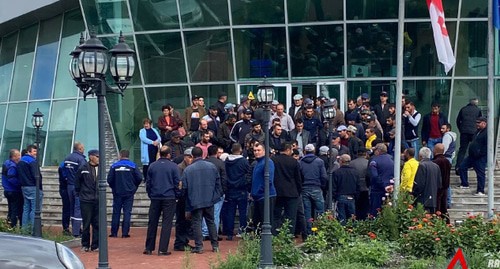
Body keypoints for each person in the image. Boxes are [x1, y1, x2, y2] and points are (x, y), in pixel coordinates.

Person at [181, 147, 222, 254]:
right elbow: (218, 184)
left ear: (192, 156)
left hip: (195, 200)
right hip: (209, 199)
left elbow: (184, 188)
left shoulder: (188, 169)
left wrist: (187, 204)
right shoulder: (212, 167)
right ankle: (215, 245)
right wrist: (214, 197)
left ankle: (199, 246)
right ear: (203, 154)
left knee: (197, 223)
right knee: (211, 222)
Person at [143, 145, 181, 256]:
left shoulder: (152, 166)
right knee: (167, 223)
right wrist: (177, 195)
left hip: (155, 196)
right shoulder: (174, 166)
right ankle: (163, 248)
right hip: (169, 197)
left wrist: (151, 194)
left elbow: (148, 182)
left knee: (152, 222)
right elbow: (177, 183)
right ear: (169, 154)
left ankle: (149, 247)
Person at [107, 150, 143, 238]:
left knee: (116, 212)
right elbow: (139, 178)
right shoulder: (133, 165)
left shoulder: (114, 166)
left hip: (117, 192)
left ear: (120, 155)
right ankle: (125, 233)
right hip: (129, 192)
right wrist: (133, 187)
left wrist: (114, 187)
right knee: (127, 212)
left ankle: (114, 232)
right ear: (128, 155)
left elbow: (109, 179)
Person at [272, 142, 302, 235]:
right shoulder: (293, 161)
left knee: (275, 215)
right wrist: (299, 190)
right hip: (291, 192)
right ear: (288, 150)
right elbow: (298, 178)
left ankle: (274, 234)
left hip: (277, 192)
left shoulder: (273, 160)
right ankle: (288, 236)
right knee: (291, 216)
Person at [222, 143, 250, 240]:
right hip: (241, 189)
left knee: (230, 212)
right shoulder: (243, 161)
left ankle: (229, 233)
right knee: (243, 212)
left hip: (230, 189)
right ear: (241, 150)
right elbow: (248, 173)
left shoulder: (226, 161)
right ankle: (242, 231)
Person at [75, 149, 100, 252]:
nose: (99, 159)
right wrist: (81, 193)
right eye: (97, 157)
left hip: (98, 199)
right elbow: (77, 182)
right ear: (91, 157)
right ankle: (85, 244)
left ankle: (95, 245)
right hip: (86, 199)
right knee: (86, 223)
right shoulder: (83, 168)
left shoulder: (101, 168)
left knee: (97, 223)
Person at [300, 144, 327, 234]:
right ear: (314, 150)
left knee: (307, 211)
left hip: (304, 188)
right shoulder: (319, 162)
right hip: (316, 187)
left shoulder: (300, 162)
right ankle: (320, 231)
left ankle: (309, 232)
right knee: (320, 210)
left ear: (305, 151)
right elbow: (324, 176)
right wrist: (322, 186)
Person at [61, 142, 87, 237]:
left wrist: (67, 179)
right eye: (83, 148)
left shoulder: (67, 158)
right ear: (79, 149)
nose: (83, 149)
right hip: (77, 187)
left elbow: (63, 170)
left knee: (72, 208)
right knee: (78, 208)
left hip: (69, 185)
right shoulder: (81, 159)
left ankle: (74, 228)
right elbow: (83, 173)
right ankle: (77, 231)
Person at [458, 116, 487, 196]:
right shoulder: (477, 131)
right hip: (472, 156)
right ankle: (465, 184)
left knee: (480, 173)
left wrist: (480, 153)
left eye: (478, 123)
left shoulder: (487, 133)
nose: (476, 124)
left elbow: (486, 146)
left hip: (480, 157)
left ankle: (480, 190)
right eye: (476, 122)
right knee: (462, 167)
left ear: (484, 123)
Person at [202, 145, 226, 241]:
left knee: (204, 212)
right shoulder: (220, 163)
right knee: (216, 213)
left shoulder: (204, 163)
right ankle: (214, 233)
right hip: (217, 191)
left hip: (205, 191)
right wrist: (223, 191)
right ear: (216, 152)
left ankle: (204, 232)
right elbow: (224, 178)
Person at [251, 143, 277, 231]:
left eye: (258, 150)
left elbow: (269, 180)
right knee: (257, 222)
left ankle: (269, 242)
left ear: (264, 151)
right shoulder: (257, 163)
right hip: (258, 196)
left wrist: (257, 191)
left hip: (266, 196)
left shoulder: (268, 162)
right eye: (254, 150)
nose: (256, 152)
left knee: (266, 222)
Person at [18, 145, 43, 231]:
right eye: (34, 151)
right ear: (29, 152)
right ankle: (34, 229)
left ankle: (24, 229)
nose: (36, 153)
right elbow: (36, 175)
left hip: (24, 187)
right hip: (33, 187)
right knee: (35, 209)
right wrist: (40, 187)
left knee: (26, 209)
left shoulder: (21, 160)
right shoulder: (32, 161)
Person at [174, 147, 194, 251]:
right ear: (185, 157)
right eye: (189, 157)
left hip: (188, 197)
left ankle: (184, 241)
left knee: (187, 221)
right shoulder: (179, 168)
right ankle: (180, 242)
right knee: (181, 221)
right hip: (182, 198)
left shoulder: (191, 168)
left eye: (192, 157)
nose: (191, 159)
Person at [455, 98, 482, 174]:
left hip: (464, 132)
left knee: (462, 150)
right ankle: (475, 165)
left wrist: (461, 129)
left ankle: (458, 166)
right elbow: (480, 121)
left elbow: (458, 120)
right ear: (476, 103)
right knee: (474, 149)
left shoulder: (463, 109)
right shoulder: (478, 110)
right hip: (474, 132)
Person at [332, 154, 360, 224]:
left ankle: (342, 233)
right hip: (351, 197)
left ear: (341, 161)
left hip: (340, 197)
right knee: (352, 218)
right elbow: (358, 186)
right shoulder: (355, 172)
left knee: (341, 218)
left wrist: (334, 197)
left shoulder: (336, 172)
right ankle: (352, 232)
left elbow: (334, 187)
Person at [412, 147, 442, 213]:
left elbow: (419, 184)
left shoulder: (422, 166)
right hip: (433, 200)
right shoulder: (436, 166)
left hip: (423, 200)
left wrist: (414, 194)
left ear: (420, 156)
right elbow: (439, 184)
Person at [368, 143, 394, 216]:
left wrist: (383, 185)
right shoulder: (392, 159)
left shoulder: (374, 161)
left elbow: (374, 176)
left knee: (375, 213)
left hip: (377, 190)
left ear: (378, 151)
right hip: (390, 190)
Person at [2, 149, 23, 227]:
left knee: (10, 209)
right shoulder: (13, 166)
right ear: (14, 157)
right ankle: (12, 226)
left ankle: (8, 224)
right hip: (13, 190)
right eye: (18, 155)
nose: (20, 157)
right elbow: (11, 178)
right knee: (14, 210)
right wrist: (19, 184)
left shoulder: (6, 163)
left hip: (7, 190)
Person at [432, 144, 451, 222]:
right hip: (445, 187)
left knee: (438, 206)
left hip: (437, 188)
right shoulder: (447, 161)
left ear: (435, 151)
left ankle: (437, 221)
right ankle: (446, 221)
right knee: (444, 206)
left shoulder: (435, 162)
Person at [57, 161, 71, 235]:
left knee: (66, 209)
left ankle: (66, 228)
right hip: (66, 188)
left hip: (64, 188)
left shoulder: (62, 164)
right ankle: (66, 228)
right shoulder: (64, 165)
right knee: (67, 209)